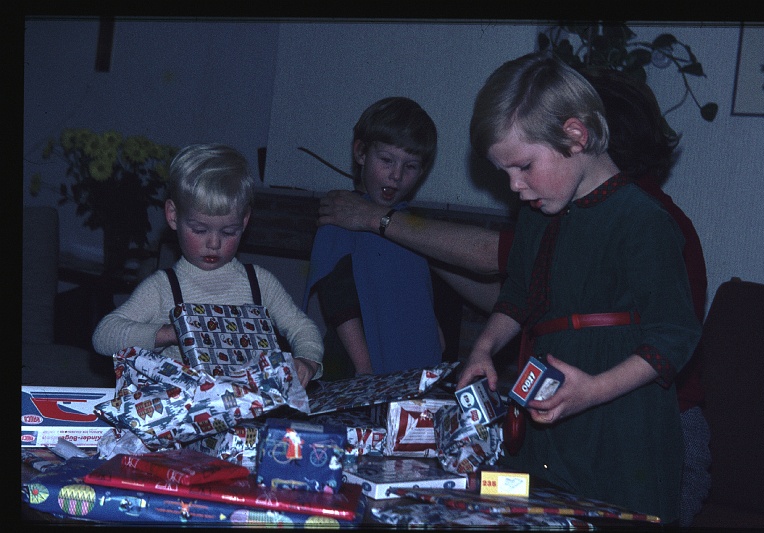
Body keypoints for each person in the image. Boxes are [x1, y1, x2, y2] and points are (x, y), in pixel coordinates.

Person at [317, 67, 711, 526]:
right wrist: (484, 348)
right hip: (549, 419)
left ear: (576, 136)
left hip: (623, 426)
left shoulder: (642, 219)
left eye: (524, 166)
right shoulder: (540, 214)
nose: (515, 186)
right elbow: (519, 296)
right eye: (504, 172)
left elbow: (676, 335)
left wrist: (595, 389)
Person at [92, 143, 323, 388]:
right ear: (173, 216)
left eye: (229, 231)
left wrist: (307, 361)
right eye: (200, 230)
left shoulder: (259, 282)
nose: (214, 243)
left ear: (245, 221)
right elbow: (104, 335)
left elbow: (302, 327)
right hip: (185, 416)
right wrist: (170, 333)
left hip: (250, 413)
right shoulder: (162, 288)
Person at [301, 96, 443, 379]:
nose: (396, 176)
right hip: (357, 365)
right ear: (361, 153)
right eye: (387, 160)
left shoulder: (407, 225)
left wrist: (436, 338)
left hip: (407, 364)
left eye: (410, 166)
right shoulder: (341, 216)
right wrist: (363, 365)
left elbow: (418, 292)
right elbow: (339, 300)